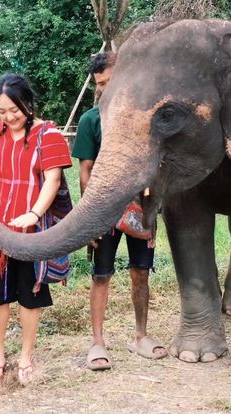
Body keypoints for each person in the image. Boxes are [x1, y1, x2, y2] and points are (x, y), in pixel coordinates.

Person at [0, 73, 72, 384]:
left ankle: (26, 355)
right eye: (2, 111)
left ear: (28, 103)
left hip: (30, 231)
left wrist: (34, 213)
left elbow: (52, 179)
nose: (9, 117)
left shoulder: (48, 135)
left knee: (30, 295)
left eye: (15, 109)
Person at [72, 52, 167, 371]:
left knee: (141, 272)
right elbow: (85, 170)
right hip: (105, 210)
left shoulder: (146, 116)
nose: (105, 88)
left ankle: (140, 336)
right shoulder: (90, 120)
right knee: (102, 276)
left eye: (111, 80)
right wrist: (91, 216)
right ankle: (97, 343)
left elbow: (157, 165)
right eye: (100, 84)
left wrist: (153, 209)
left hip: (140, 205)